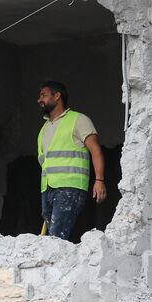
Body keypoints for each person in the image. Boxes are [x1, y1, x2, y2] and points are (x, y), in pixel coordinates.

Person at [37, 81, 107, 240]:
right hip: (47, 190)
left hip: (70, 188)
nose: (39, 100)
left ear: (57, 96)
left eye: (43, 95)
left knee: (56, 238)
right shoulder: (44, 129)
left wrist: (99, 180)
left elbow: (96, 151)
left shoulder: (79, 120)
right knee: (52, 239)